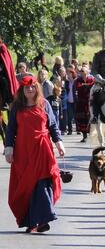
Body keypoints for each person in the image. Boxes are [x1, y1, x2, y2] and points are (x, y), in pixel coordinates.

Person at [4, 75, 65, 232]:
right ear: (22, 90)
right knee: (27, 185)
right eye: (26, 88)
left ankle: (44, 220)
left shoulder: (44, 104)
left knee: (42, 182)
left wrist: (59, 143)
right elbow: (11, 130)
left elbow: (52, 125)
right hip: (23, 152)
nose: (30, 89)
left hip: (42, 149)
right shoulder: (17, 107)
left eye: (32, 87)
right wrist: (9, 148)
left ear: (37, 88)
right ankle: (31, 221)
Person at [74, 66, 95, 142]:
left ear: (87, 71)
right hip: (81, 103)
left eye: (83, 71)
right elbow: (78, 87)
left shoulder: (91, 79)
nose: (81, 72)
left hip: (90, 102)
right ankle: (84, 136)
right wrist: (87, 86)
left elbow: (94, 85)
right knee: (82, 119)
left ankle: (92, 135)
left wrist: (85, 86)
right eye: (81, 71)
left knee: (91, 118)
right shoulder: (78, 80)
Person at [65, 67, 76, 135]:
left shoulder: (76, 81)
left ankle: (78, 129)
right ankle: (70, 130)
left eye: (69, 73)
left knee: (76, 116)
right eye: (67, 73)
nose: (68, 75)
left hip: (75, 101)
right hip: (68, 101)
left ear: (72, 74)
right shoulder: (66, 82)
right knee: (69, 117)